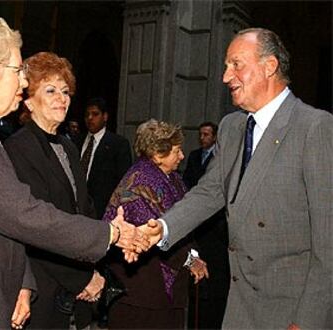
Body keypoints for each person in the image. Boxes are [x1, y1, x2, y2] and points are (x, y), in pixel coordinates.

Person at [0, 13, 148, 329]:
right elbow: (23, 214)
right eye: (17, 71)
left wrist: (24, 282)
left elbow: (0, 221)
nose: (24, 82)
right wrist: (113, 233)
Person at [141, 28, 333, 329]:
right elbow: (209, 192)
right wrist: (162, 228)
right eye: (225, 66)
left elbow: (328, 244)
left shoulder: (314, 128)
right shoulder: (231, 127)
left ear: (269, 66)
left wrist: (307, 321)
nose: (226, 77)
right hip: (240, 305)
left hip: (290, 311)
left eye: (236, 64)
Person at [4, 52, 104, 329]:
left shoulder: (69, 146)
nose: (62, 98)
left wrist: (93, 263)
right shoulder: (18, 148)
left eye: (65, 91)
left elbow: (84, 209)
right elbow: (36, 228)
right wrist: (83, 279)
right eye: (50, 91)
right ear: (28, 100)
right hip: (40, 287)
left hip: (75, 287)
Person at [102, 119, 208, 329]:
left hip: (163, 293)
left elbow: (187, 220)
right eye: (177, 151)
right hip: (141, 294)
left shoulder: (173, 178)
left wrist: (194, 255)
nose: (182, 156)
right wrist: (190, 261)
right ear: (159, 154)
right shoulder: (141, 182)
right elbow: (154, 234)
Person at [183, 121, 230, 329]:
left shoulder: (223, 160)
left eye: (207, 134)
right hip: (197, 222)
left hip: (217, 228)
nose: (203, 138)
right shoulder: (194, 156)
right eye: (200, 134)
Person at [79, 97, 132, 220]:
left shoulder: (118, 144)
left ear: (105, 117)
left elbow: (123, 183)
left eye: (95, 114)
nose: (90, 118)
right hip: (76, 211)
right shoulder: (75, 142)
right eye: (87, 115)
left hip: (102, 212)